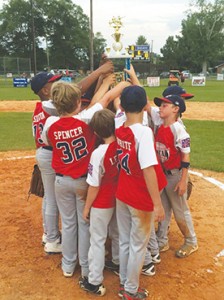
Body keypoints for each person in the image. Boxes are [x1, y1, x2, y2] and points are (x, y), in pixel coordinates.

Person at [41, 80, 130, 278]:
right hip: (83, 181)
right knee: (84, 223)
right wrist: (122, 82)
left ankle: (68, 265)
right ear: (78, 103)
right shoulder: (86, 119)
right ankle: (86, 267)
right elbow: (106, 98)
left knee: (68, 223)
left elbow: (48, 142)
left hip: (61, 181)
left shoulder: (49, 123)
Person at [115, 85, 167, 300]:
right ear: (145, 105)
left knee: (125, 241)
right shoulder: (143, 133)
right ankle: (130, 290)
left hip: (123, 192)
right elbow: (148, 169)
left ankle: (124, 282)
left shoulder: (120, 127)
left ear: (122, 106)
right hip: (139, 196)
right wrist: (158, 203)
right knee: (138, 245)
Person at [79, 109, 119, 296]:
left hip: (102, 202)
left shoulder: (98, 153)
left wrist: (87, 207)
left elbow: (94, 185)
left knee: (98, 240)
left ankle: (94, 281)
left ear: (95, 132)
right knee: (118, 234)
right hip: (119, 198)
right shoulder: (122, 145)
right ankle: (117, 263)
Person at [153, 94, 198, 257]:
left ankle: (191, 241)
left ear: (175, 109)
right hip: (163, 176)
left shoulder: (179, 130)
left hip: (175, 176)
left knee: (180, 211)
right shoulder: (160, 126)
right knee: (163, 209)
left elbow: (186, 157)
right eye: (160, 105)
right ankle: (162, 240)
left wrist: (183, 180)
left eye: (165, 105)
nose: (160, 107)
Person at [31, 72, 62, 254]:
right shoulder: (50, 106)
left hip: (43, 153)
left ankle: (48, 233)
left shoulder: (38, 107)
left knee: (49, 197)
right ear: (45, 90)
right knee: (52, 199)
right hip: (49, 154)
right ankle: (52, 239)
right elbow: (77, 91)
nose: (57, 83)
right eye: (53, 82)